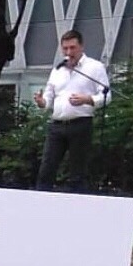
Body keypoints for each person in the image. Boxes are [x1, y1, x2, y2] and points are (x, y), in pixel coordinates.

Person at [32, 30, 110, 192]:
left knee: (77, 172)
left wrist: (87, 99)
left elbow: (106, 96)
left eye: (72, 48)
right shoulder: (58, 70)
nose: (68, 52)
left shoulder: (94, 67)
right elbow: (48, 99)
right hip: (57, 125)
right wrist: (41, 102)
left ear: (81, 47)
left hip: (80, 124)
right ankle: (40, 201)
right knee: (46, 169)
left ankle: (78, 203)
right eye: (65, 48)